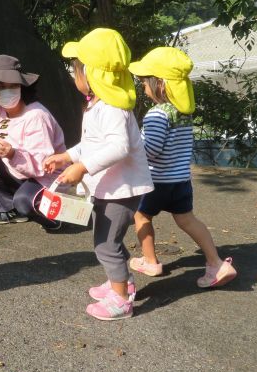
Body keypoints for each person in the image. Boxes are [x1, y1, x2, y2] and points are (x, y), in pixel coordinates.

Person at [44, 28, 153, 321]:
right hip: (111, 187)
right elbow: (94, 144)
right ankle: (122, 280)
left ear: (92, 74)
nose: (73, 76)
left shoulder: (112, 108)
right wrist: (68, 156)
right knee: (107, 240)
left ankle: (121, 299)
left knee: (106, 244)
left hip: (122, 190)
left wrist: (81, 167)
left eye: (76, 70)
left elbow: (118, 146)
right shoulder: (99, 105)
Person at [128, 47, 237, 287]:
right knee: (187, 220)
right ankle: (216, 263)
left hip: (156, 181)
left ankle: (150, 261)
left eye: (146, 82)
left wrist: (133, 148)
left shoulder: (157, 114)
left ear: (161, 84)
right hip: (180, 180)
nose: (144, 87)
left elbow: (151, 150)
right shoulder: (183, 113)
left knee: (141, 215)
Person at [0, 54, 67, 229]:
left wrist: (13, 154)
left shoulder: (36, 115)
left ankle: (52, 217)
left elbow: (42, 165)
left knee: (24, 201)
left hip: (45, 179)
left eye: (12, 86)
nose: (6, 91)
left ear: (21, 86)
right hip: (18, 175)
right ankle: (14, 209)